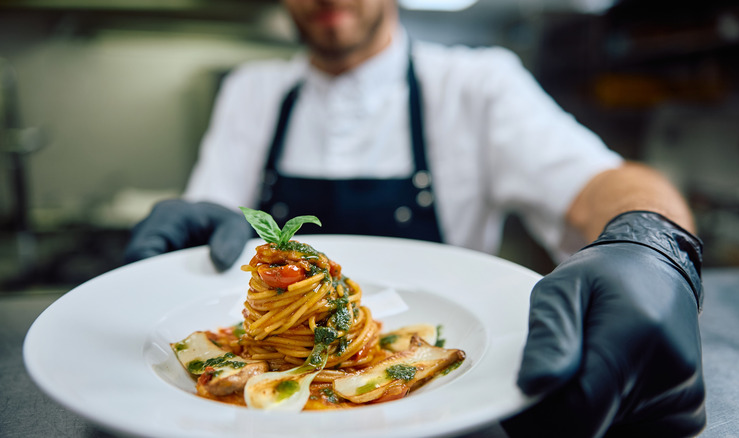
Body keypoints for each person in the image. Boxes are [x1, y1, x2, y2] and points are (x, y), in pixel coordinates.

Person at [125, 0, 706, 436]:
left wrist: (650, 243)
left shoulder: (479, 83)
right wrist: (196, 232)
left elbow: (607, 182)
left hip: (444, 412)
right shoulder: (252, 90)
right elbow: (220, 228)